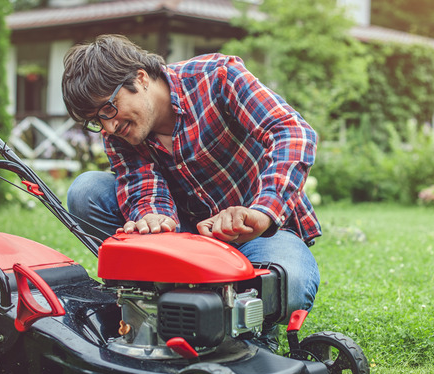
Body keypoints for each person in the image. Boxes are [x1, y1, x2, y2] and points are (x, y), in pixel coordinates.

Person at [61, 34, 320, 351]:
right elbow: (142, 183)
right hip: (185, 238)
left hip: (259, 234)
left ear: (139, 78)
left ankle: (252, 321)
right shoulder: (120, 132)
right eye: (96, 120)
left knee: (291, 287)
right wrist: (152, 218)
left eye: (108, 109)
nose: (109, 127)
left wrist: (263, 210)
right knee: (86, 189)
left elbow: (292, 131)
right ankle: (151, 294)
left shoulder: (218, 77)